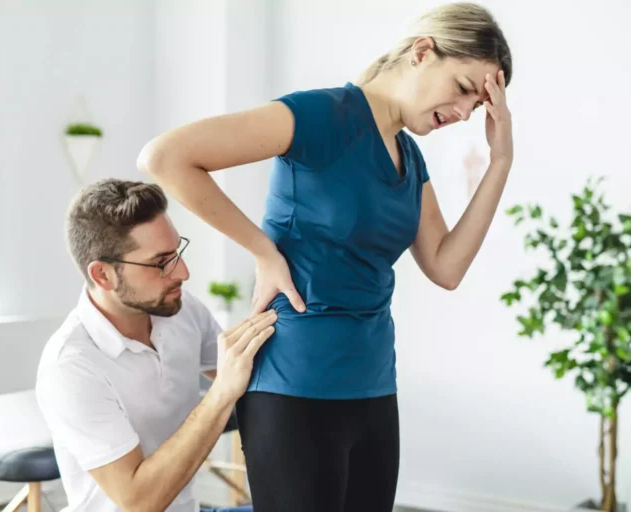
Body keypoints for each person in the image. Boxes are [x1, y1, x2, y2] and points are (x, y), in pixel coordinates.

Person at [136, 2, 513, 511]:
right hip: (295, 383)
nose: (466, 113)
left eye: (478, 105)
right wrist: (262, 249)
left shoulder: (409, 156)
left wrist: (501, 161)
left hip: (374, 387)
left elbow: (446, 267)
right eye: (465, 89)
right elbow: (165, 157)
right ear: (423, 52)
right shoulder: (322, 115)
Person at [35, 178, 274, 512]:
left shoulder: (180, 309)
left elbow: (249, 373)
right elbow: (140, 502)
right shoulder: (70, 366)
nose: (183, 272)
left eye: (178, 252)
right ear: (103, 275)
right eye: (161, 262)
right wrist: (221, 394)